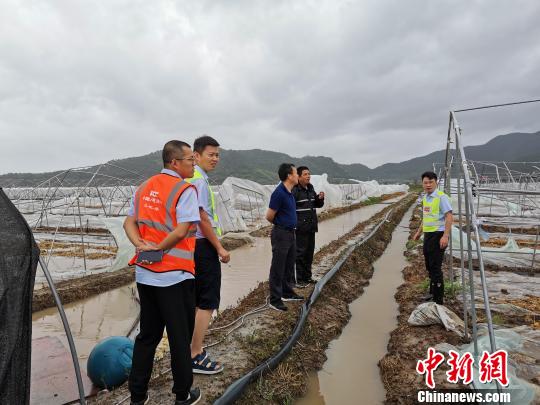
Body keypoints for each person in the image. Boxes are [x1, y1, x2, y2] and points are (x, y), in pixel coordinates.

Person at [123, 140, 202, 405]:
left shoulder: (144, 187)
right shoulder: (184, 189)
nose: (194, 163)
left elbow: (129, 222)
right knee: (180, 337)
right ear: (174, 162)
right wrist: (160, 247)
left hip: (146, 274)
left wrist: (140, 244)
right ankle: (182, 395)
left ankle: (137, 396)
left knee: (148, 335)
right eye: (190, 159)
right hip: (175, 276)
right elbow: (182, 230)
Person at [186, 135, 230, 375]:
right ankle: (195, 354)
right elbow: (203, 218)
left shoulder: (191, 177)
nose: (216, 158)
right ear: (196, 155)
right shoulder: (199, 181)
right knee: (208, 301)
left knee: (196, 300)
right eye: (211, 154)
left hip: (190, 246)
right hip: (203, 246)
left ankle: (191, 347)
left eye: (217, 154)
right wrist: (220, 248)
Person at [265, 163, 303, 311]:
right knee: (278, 267)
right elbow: (269, 216)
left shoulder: (290, 192)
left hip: (290, 233)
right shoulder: (279, 193)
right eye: (296, 173)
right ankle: (275, 299)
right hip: (281, 234)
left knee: (289, 264)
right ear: (289, 176)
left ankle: (287, 292)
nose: (298, 176)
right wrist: (281, 225)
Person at [413, 171, 453, 305]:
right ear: (422, 184)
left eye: (431, 182)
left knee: (435, 267)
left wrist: (445, 236)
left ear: (436, 183)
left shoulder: (442, 197)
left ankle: (438, 299)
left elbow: (449, 216)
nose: (428, 185)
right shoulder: (426, 198)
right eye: (425, 182)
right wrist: (419, 232)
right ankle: (432, 293)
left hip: (438, 235)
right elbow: (426, 218)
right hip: (428, 235)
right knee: (429, 266)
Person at [292, 166, 324, 287]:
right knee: (300, 253)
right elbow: (290, 208)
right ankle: (299, 279)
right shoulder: (295, 191)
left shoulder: (310, 189)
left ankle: (307, 277)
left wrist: (320, 199)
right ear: (299, 177)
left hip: (311, 226)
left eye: (309, 174)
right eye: (305, 174)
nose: (308, 176)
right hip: (300, 227)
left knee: (309, 253)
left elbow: (317, 205)